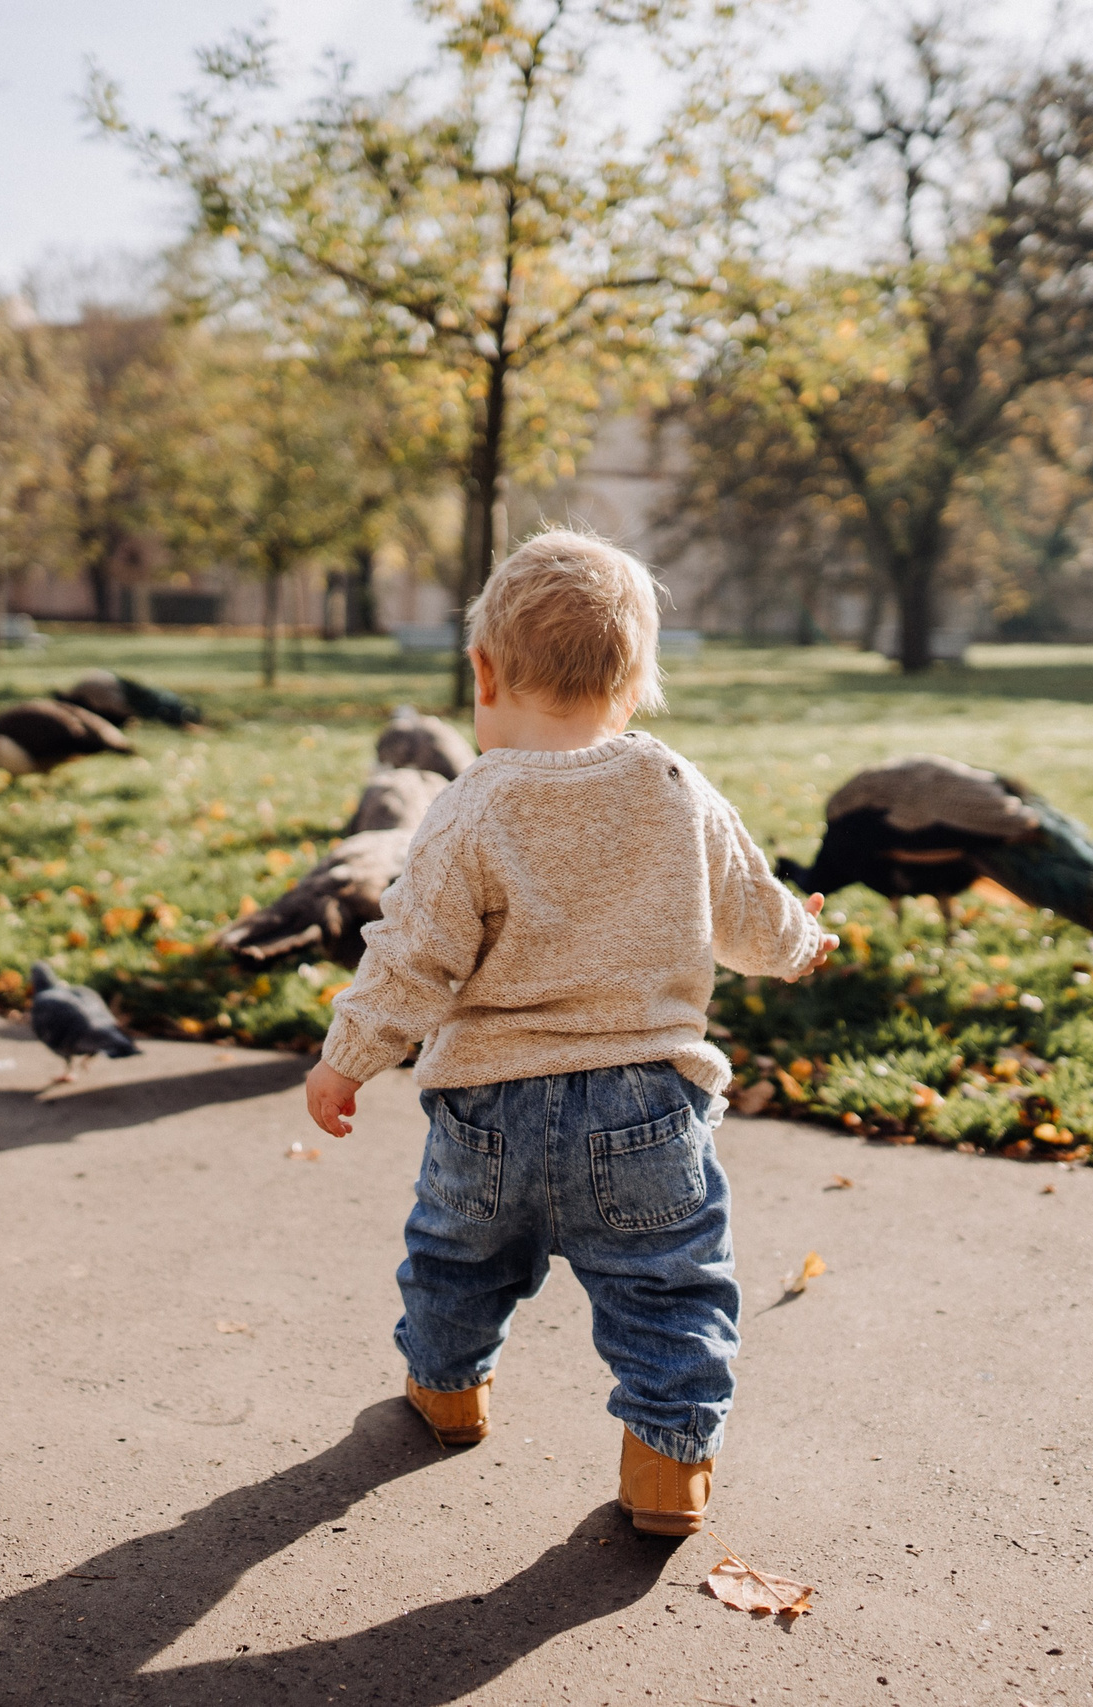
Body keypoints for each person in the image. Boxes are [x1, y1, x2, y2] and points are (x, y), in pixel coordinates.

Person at [304, 530, 835, 1536]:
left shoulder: (470, 807)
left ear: (482, 670)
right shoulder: (675, 787)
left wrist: (347, 1061)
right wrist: (805, 943)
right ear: (635, 683)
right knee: (669, 1290)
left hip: (485, 1116)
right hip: (647, 1113)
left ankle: (449, 1394)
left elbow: (411, 952)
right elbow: (752, 914)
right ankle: (665, 1469)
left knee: (456, 1261)